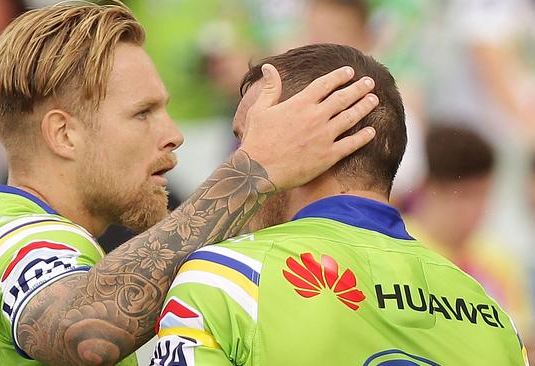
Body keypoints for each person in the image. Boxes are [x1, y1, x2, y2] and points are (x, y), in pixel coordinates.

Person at [0, 4, 379, 366]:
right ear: (63, 134)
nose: (173, 133)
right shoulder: (16, 237)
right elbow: (82, 328)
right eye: (142, 113)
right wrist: (253, 171)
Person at [150, 44, 528, 365]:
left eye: (249, 140)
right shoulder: (494, 316)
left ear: (303, 144)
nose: (236, 160)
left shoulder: (228, 278)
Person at [407, 124, 533, 352]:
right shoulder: (397, 246)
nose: (476, 209)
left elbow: (522, 341)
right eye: (464, 196)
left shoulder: (499, 260)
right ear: (428, 187)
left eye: (483, 194)